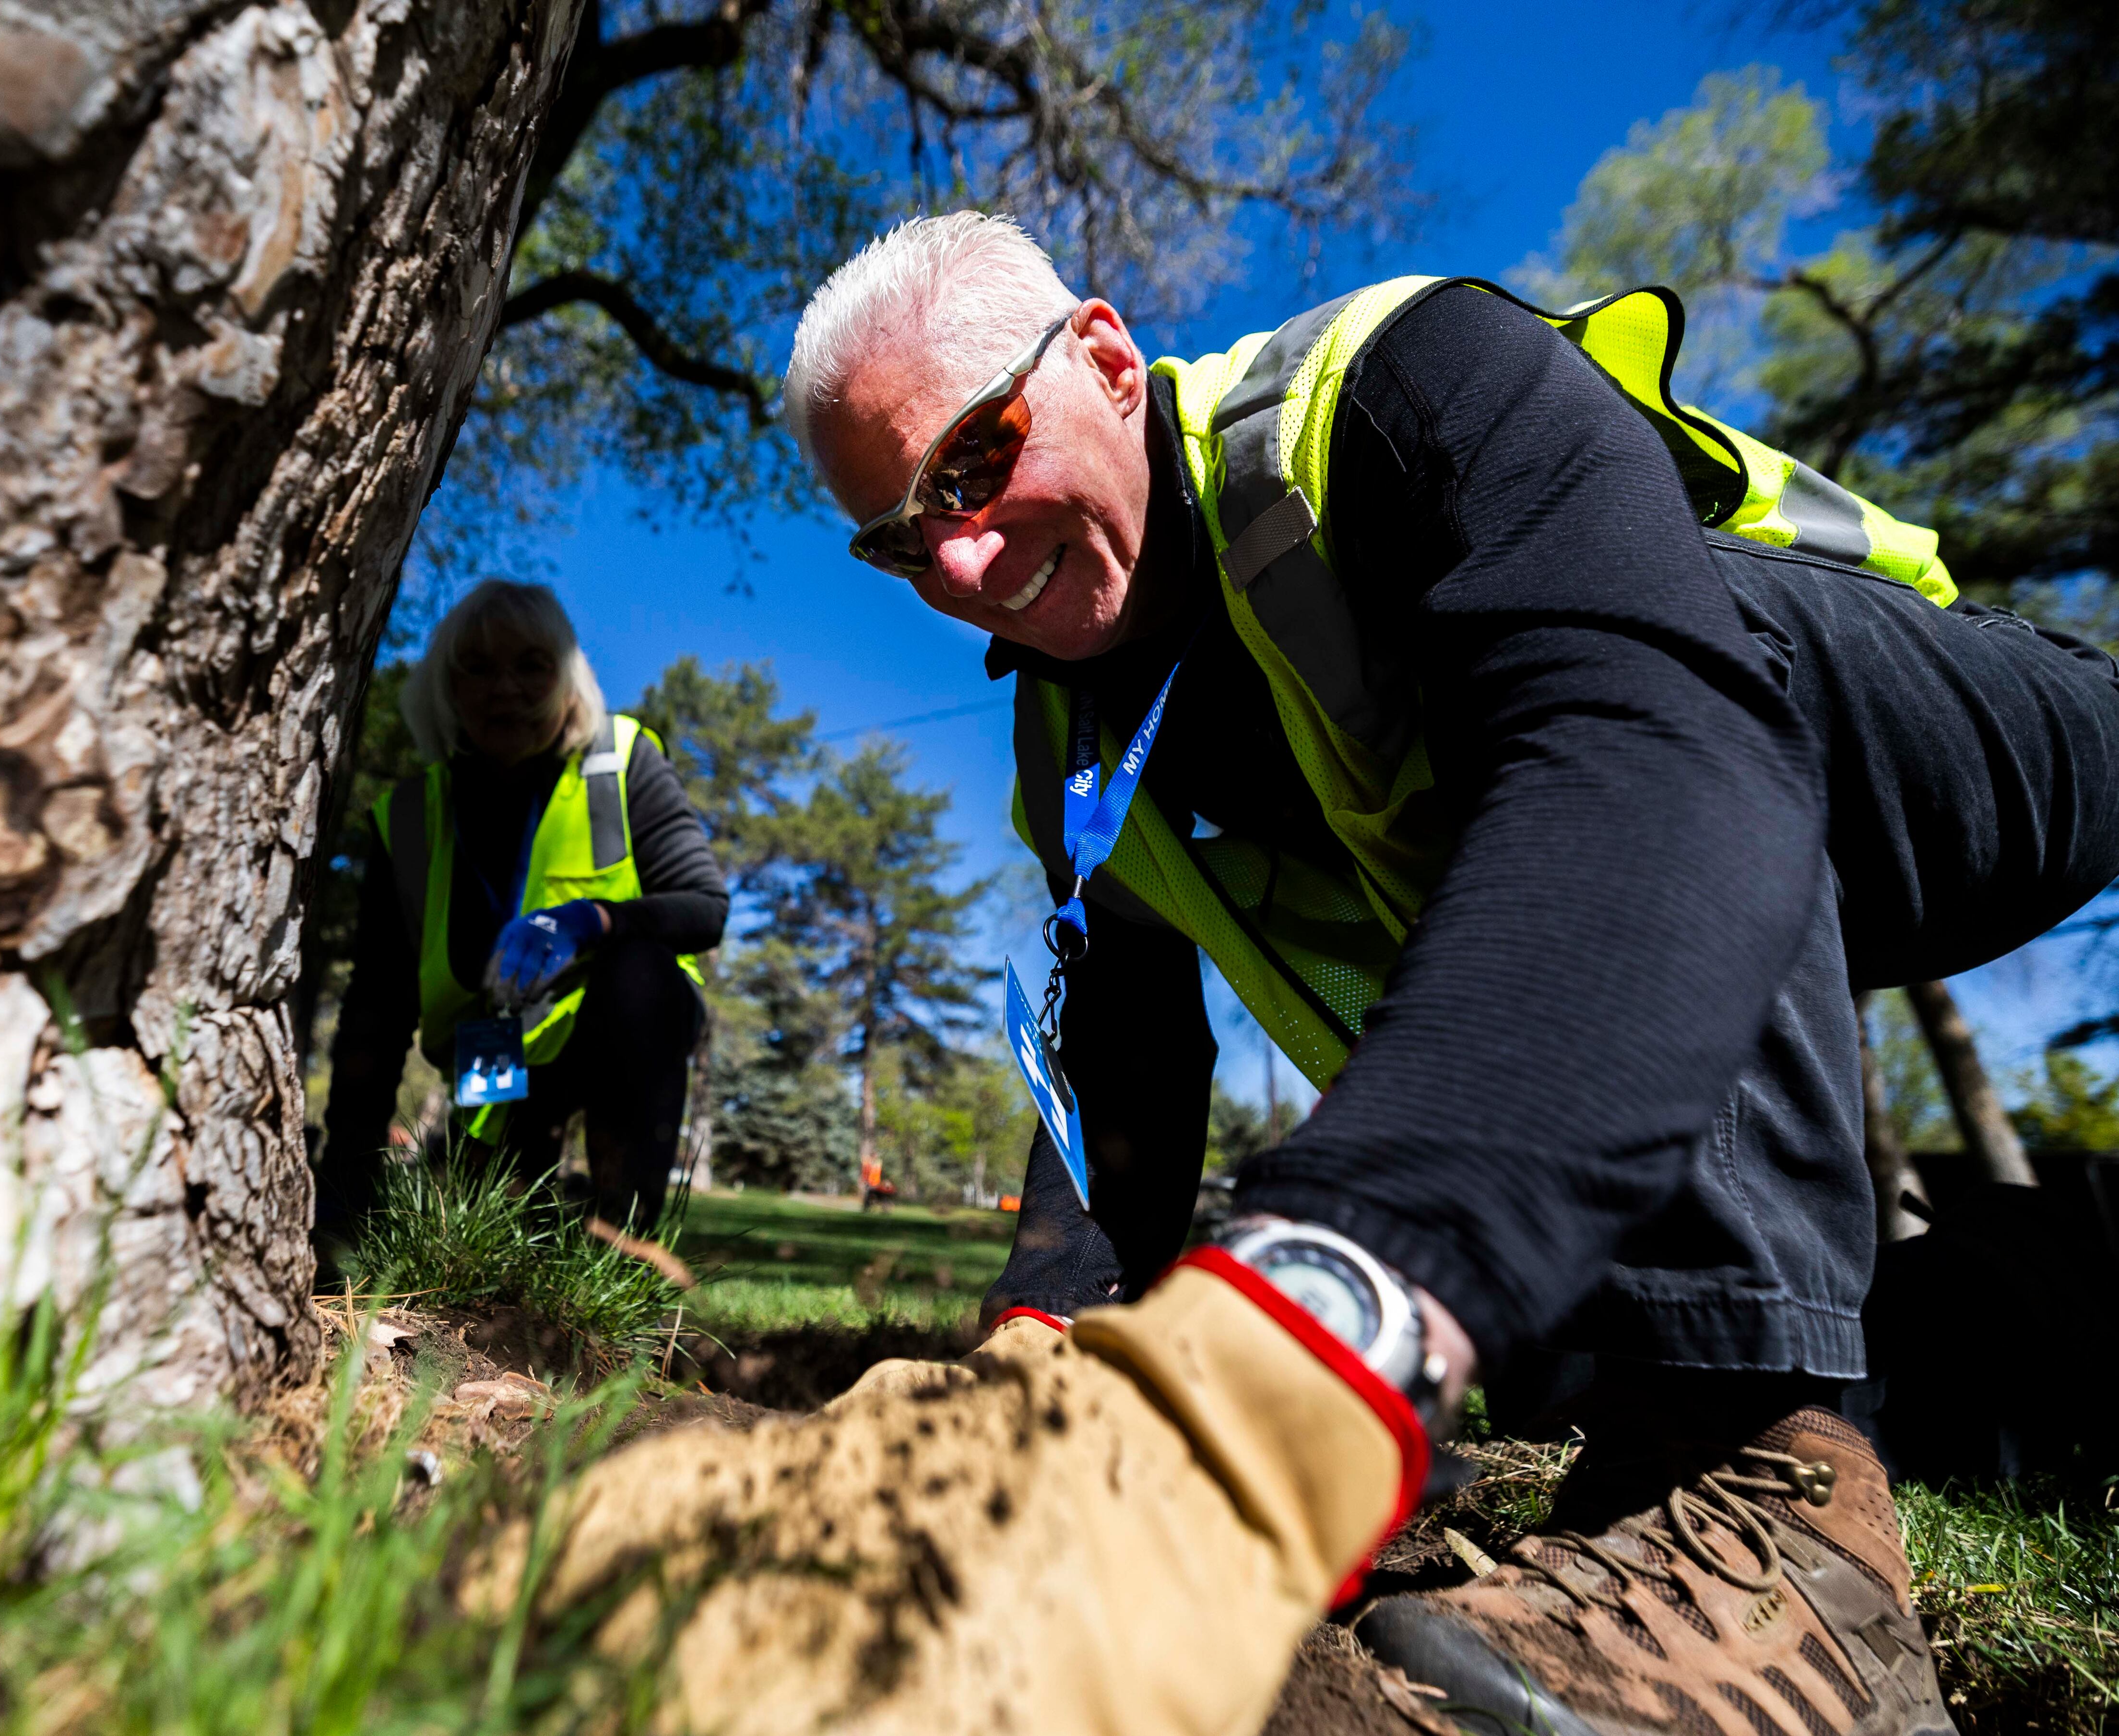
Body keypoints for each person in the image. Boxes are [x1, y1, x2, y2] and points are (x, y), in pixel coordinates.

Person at [762, 212, 2119, 1735]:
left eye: (974, 459)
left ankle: (1784, 1543)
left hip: (1953, 740)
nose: (955, 554)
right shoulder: (1068, 757)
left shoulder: (1399, 387)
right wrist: (1039, 1342)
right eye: (898, 533)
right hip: (1661, 942)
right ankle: (2039, 1296)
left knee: (1680, 654)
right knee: (1554, 1365)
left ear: (1104, 359)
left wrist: (1343, 1275)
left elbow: (1648, 751)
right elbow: (1119, 1063)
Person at [315, 581, 726, 1261]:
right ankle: (525, 1202)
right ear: (445, 688)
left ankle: (626, 1247)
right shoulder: (409, 818)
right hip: (490, 1050)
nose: (504, 687)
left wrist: (592, 920)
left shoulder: (623, 764)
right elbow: (376, 1010)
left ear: (569, 681)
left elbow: (705, 907)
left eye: (532, 665)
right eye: (476, 668)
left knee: (644, 975)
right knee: (487, 1226)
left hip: (612, 1035)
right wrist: (344, 1182)